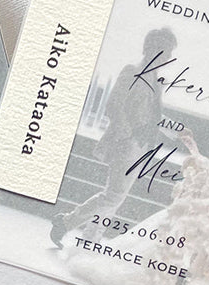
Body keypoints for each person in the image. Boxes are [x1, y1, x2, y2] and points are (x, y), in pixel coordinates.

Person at [51, 27, 178, 244]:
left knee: (115, 197)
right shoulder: (132, 71)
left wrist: (177, 130)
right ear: (151, 48)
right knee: (113, 196)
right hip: (126, 143)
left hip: (141, 146)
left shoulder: (155, 80)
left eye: (169, 52)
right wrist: (127, 134)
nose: (168, 57)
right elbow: (113, 104)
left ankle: (86, 235)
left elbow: (152, 115)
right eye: (165, 51)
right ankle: (70, 225)